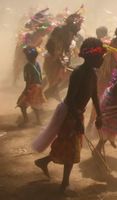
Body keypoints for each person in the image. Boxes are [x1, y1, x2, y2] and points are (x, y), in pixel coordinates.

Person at [33, 38, 106, 192]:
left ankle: (44, 162)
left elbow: (94, 96)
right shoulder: (78, 73)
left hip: (77, 114)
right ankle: (65, 183)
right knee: (71, 148)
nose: (102, 60)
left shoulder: (92, 74)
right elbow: (71, 99)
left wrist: (99, 116)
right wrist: (77, 119)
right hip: (69, 113)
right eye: (100, 57)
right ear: (91, 57)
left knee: (67, 146)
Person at [86, 23, 117, 134]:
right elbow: (113, 62)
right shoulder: (109, 46)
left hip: (115, 79)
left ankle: (103, 128)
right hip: (105, 79)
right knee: (99, 103)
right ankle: (90, 126)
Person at [43, 12, 83, 101]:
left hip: (57, 59)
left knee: (60, 81)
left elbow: (66, 49)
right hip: (53, 60)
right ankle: (41, 100)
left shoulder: (68, 32)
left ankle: (49, 96)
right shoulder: (62, 31)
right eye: (78, 25)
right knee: (56, 81)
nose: (79, 28)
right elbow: (52, 46)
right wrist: (57, 57)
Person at [17, 47, 46, 126]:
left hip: (31, 87)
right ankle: (38, 121)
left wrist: (26, 90)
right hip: (38, 86)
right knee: (35, 105)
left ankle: (26, 120)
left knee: (21, 104)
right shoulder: (37, 63)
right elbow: (40, 75)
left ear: (27, 57)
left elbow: (28, 80)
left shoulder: (27, 66)